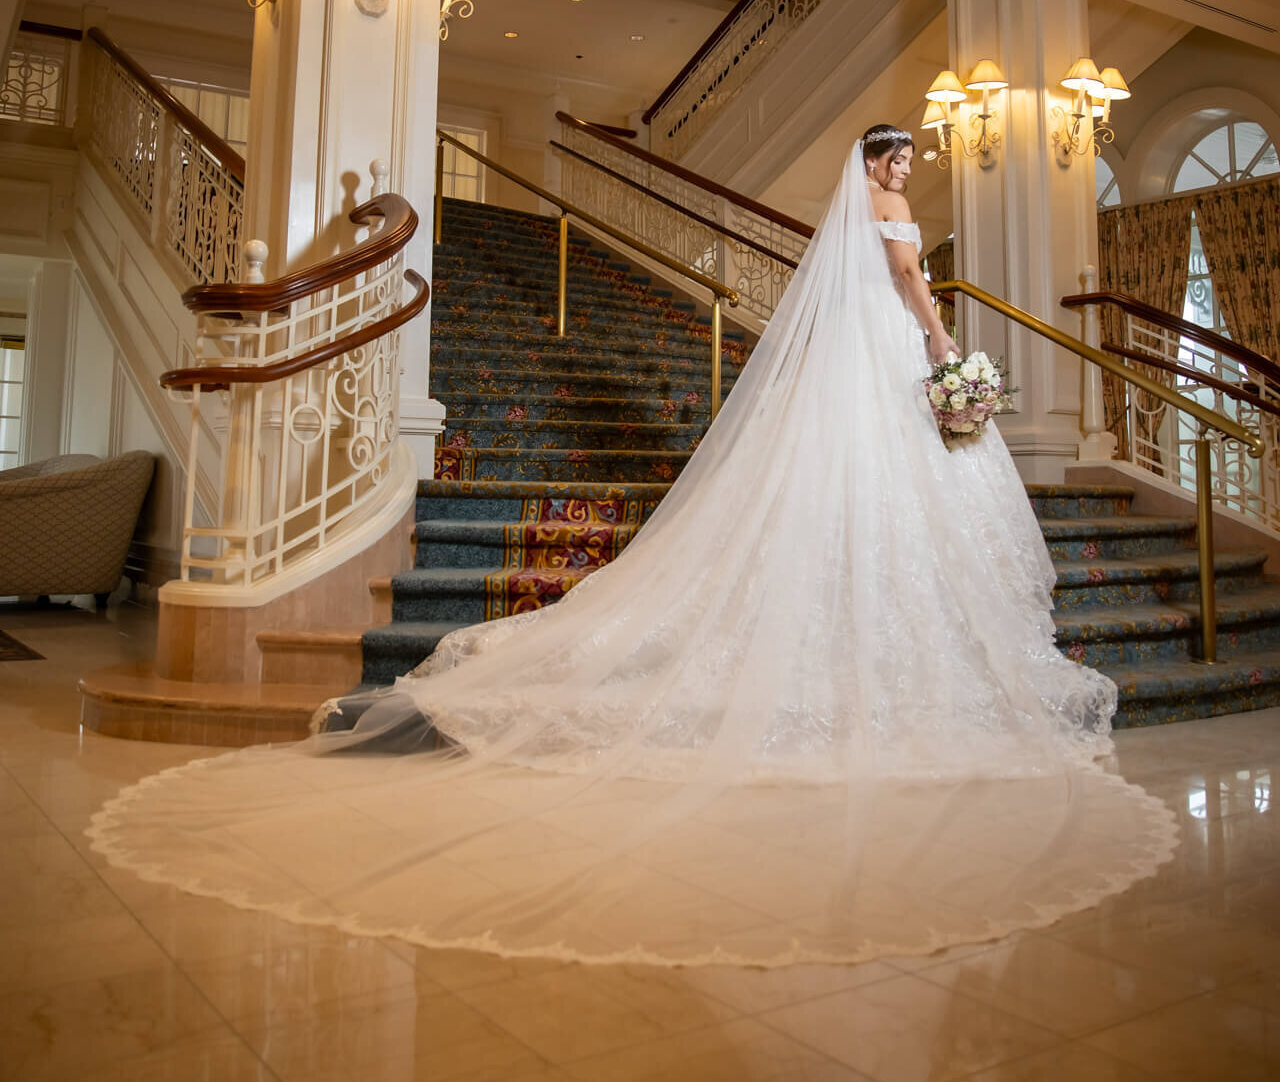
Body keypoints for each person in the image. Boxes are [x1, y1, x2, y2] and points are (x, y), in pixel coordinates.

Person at [88, 133, 1176, 967]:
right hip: (896, 358)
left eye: (905, 158)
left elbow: (887, 286)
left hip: (870, 369)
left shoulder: (861, 214)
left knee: (866, 504)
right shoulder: (889, 220)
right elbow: (911, 294)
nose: (904, 168)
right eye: (897, 155)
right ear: (877, 166)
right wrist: (944, 347)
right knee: (888, 502)